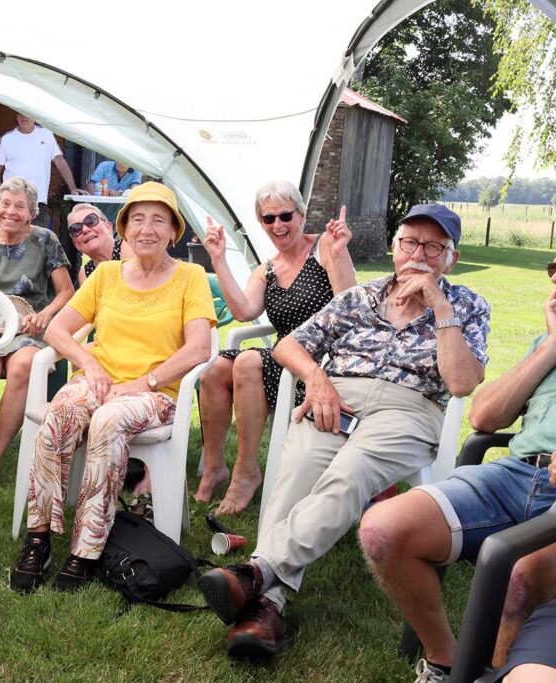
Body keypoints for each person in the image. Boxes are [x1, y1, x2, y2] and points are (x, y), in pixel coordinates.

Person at [197, 204, 490, 659]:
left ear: (450, 259)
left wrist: (440, 307)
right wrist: (316, 379)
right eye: (411, 242)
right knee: (295, 471)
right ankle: (267, 609)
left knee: (350, 473)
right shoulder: (359, 297)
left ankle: (257, 574)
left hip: (408, 407)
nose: (420, 255)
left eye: (434, 248)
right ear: (394, 249)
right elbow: (290, 345)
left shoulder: (467, 304)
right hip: (338, 396)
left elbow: (462, 383)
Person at [9, 182, 216, 593]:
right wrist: (88, 362)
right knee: (62, 411)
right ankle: (40, 538)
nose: (147, 229)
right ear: (123, 229)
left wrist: (144, 382)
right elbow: (58, 329)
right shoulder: (105, 274)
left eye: (159, 220)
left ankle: (85, 550)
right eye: (138, 219)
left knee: (106, 421)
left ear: (173, 231)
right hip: (99, 380)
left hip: (156, 393)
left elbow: (199, 348)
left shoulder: (190, 277)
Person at [359, 257, 556, 683]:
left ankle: (493, 672)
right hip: (514, 476)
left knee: (521, 577)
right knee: (383, 529)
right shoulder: (546, 344)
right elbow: (484, 418)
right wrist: (549, 349)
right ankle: (444, 659)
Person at [195, 180, 356, 513]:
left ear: (301, 214)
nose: (278, 225)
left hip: (320, 365)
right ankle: (214, 467)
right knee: (214, 371)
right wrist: (219, 259)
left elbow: (349, 307)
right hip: (282, 361)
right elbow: (242, 311)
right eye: (269, 219)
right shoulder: (266, 269)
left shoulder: (326, 247)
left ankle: (246, 470)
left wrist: (340, 256)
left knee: (248, 361)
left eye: (285, 216)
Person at [0, 177, 74, 494]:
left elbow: (66, 291)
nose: (11, 211)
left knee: (24, 365)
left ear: (32, 212)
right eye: (5, 204)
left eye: (19, 206)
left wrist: (45, 315)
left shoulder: (44, 240)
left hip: (29, 328)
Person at [0, 114, 88, 228]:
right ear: (16, 116)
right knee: (12, 243)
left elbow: (61, 162)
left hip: (38, 204)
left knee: (38, 244)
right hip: (12, 203)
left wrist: (73, 188)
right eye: (19, 113)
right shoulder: (6, 139)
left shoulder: (46, 135)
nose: (23, 117)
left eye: (27, 113)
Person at [67, 203, 135, 285]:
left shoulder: (129, 247)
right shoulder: (85, 274)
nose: (85, 230)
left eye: (90, 221)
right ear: (76, 245)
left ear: (108, 227)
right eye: (76, 229)